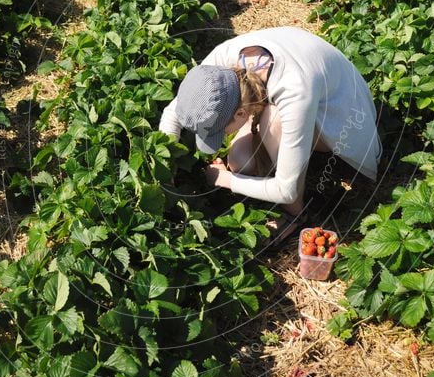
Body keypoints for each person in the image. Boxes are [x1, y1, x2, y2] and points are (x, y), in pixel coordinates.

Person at [159, 26, 382, 245]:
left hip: (342, 118)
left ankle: (296, 214)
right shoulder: (218, 70)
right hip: (298, 85)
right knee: (241, 161)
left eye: (220, 131)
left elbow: (287, 190)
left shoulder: (294, 92)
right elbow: (172, 113)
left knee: (273, 123)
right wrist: (165, 171)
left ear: (240, 113)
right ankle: (277, 157)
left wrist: (224, 179)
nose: (218, 139)